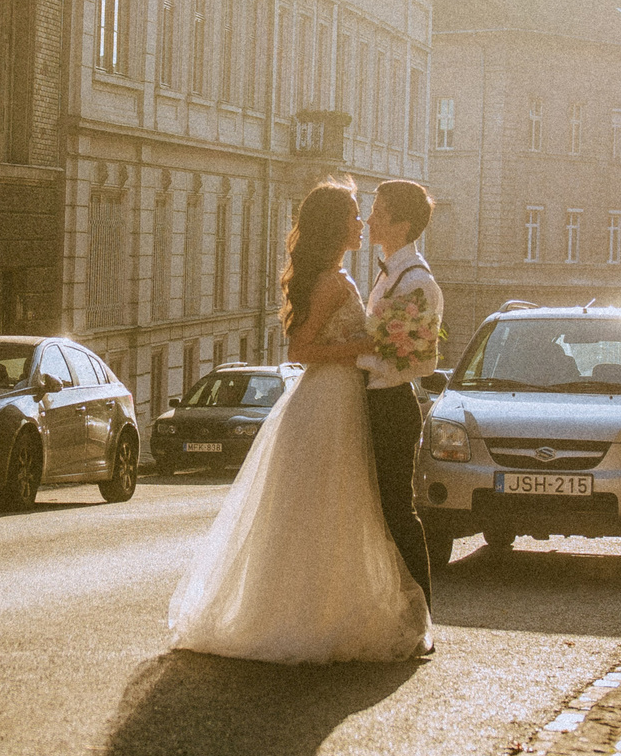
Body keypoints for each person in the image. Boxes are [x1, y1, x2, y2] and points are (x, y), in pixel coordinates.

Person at [166, 179, 430, 665]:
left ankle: (329, 609)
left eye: (366, 213)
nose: (361, 222)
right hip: (328, 401)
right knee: (323, 511)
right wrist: (362, 347)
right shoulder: (334, 282)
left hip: (347, 400)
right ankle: (304, 616)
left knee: (342, 512)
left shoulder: (351, 276)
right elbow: (301, 351)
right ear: (334, 226)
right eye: (353, 214)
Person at [358, 179, 444, 608]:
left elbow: (416, 362)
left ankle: (421, 612)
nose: (370, 217)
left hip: (392, 406)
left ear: (403, 222)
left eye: (379, 209)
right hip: (376, 403)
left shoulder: (416, 281)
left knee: (397, 512)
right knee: (379, 513)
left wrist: (352, 358)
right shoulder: (391, 270)